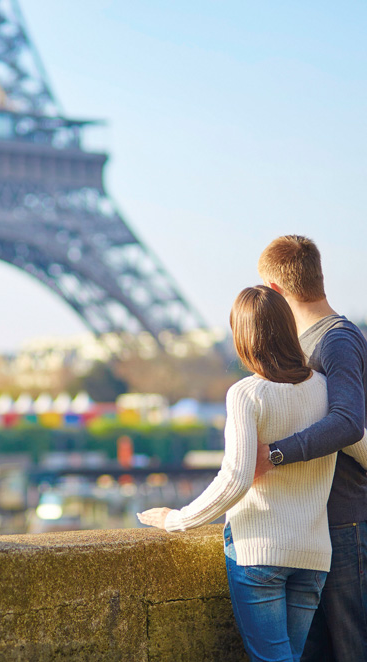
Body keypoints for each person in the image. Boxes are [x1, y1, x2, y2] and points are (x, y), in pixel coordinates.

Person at [137, 285, 367, 662]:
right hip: (312, 556)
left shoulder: (246, 394)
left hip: (260, 551)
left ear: (244, 339)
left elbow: (236, 479)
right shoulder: (326, 389)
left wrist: (176, 520)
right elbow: (358, 442)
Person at [254, 234, 367, 662]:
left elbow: (347, 422)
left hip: (345, 521)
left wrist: (274, 453)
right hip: (318, 523)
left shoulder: (336, 340)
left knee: (351, 647)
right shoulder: (313, 341)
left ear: (279, 291)